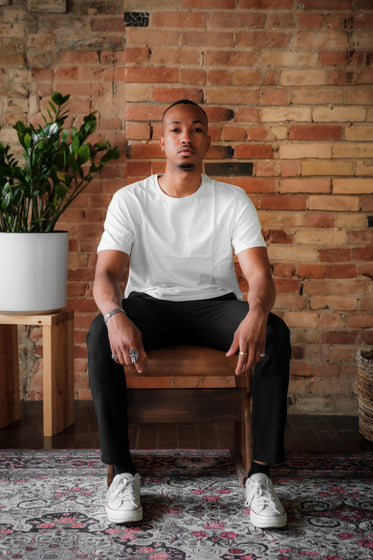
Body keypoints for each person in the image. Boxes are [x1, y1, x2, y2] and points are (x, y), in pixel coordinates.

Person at [87, 99, 291, 529]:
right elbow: (105, 275)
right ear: (162, 142)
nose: (186, 137)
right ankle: (122, 472)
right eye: (177, 129)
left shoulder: (232, 200)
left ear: (207, 142)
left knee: (275, 334)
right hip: (149, 303)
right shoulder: (131, 200)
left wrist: (256, 313)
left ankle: (260, 477)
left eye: (197, 129)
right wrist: (114, 315)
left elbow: (260, 275)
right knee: (97, 335)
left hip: (215, 303)